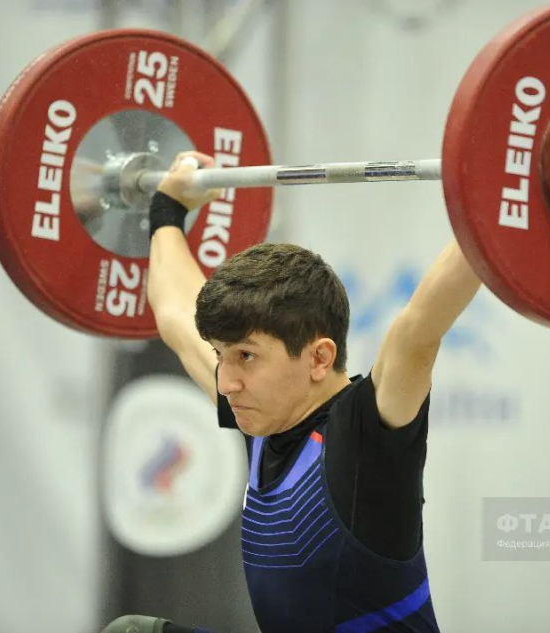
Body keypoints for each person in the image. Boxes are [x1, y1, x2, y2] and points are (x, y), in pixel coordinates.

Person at [103, 151, 481, 633]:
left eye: (246, 356)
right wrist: (167, 210)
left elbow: (418, 330)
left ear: (319, 358)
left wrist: (500, 204)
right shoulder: (261, 415)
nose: (226, 381)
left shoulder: (365, 434)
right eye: (221, 355)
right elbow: (176, 314)